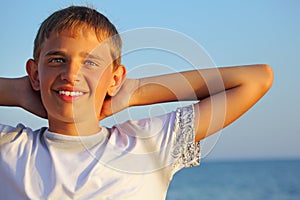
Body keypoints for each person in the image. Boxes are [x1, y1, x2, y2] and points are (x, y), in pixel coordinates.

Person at [0, 5, 273, 200]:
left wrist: (134, 93)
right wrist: (19, 92)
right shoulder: (9, 148)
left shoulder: (149, 143)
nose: (71, 74)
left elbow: (256, 79)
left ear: (115, 78)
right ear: (35, 73)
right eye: (57, 60)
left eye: (91, 62)